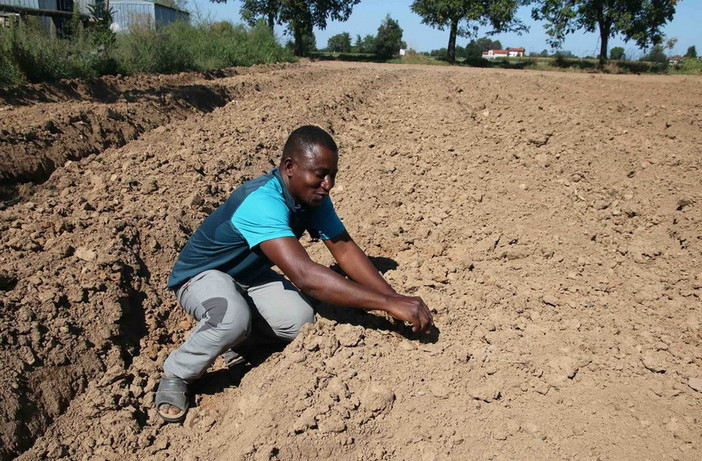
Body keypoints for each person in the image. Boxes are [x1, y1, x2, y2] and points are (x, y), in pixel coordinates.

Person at [156, 125, 433, 423]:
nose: (328, 184)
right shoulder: (262, 202)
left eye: (333, 175)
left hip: (248, 277)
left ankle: (238, 343)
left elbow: (343, 248)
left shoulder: (312, 198)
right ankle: (177, 373)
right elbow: (305, 276)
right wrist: (386, 304)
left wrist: (392, 297)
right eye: (320, 174)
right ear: (290, 167)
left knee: (300, 321)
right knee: (230, 318)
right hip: (201, 277)